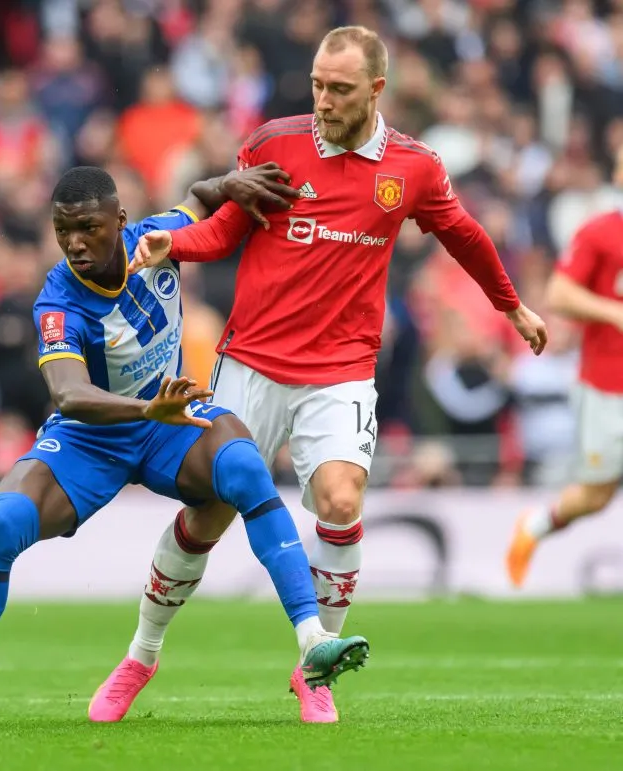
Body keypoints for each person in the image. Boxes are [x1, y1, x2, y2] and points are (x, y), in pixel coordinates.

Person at [90, 25, 548, 725]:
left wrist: (510, 306)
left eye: (339, 89)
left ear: (376, 90)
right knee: (206, 514)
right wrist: (170, 242)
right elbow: (226, 231)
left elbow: (463, 234)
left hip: (339, 370)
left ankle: (317, 666)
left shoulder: (413, 168)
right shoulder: (276, 143)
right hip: (250, 362)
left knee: (339, 502)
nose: (324, 101)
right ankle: (140, 655)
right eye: (316, 85)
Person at [0, 164, 370, 728]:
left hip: (167, 425)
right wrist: (148, 409)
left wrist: (228, 184)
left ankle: (311, 641)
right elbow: (69, 394)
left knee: (243, 463)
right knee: (1, 523)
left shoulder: (157, 238)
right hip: (92, 439)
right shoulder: (57, 300)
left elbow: (195, 197)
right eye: (63, 229)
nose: (74, 242)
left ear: (120, 220)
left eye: (88, 227)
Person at [506, 146, 623, 588]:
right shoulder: (600, 233)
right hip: (608, 387)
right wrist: (614, 313)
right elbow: (558, 295)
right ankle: (534, 525)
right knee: (596, 495)